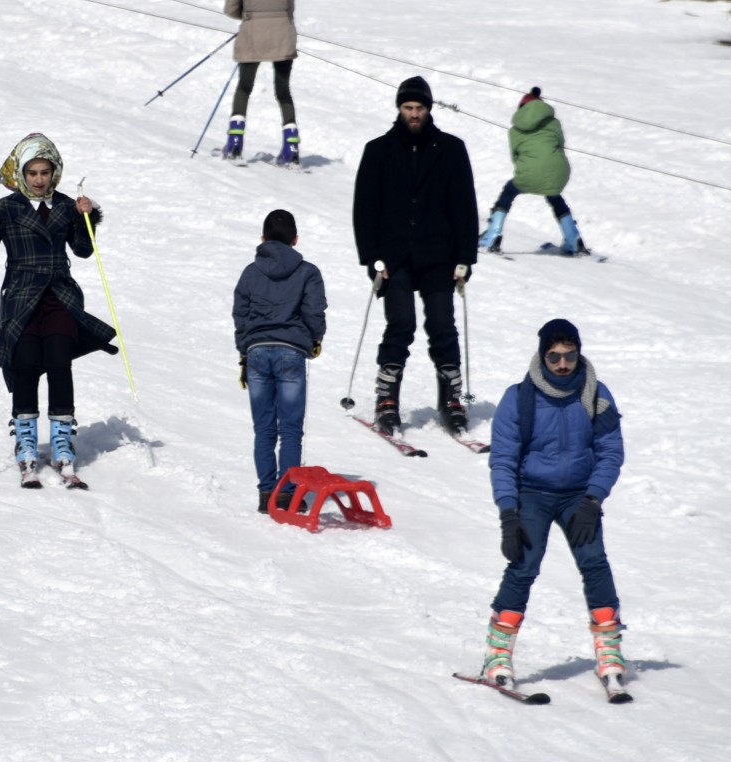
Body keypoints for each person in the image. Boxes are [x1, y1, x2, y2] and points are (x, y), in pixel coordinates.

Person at [480, 319, 627, 696]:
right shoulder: (520, 397)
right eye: (554, 356)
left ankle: (609, 649)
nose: (563, 364)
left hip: (579, 493)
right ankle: (498, 652)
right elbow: (504, 459)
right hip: (533, 492)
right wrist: (509, 513)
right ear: (542, 356)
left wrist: (593, 500)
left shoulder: (596, 394)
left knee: (594, 561)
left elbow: (611, 451)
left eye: (570, 355)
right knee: (524, 564)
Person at [0, 133, 117, 486]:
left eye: (45, 172)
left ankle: (62, 445)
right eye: (33, 172)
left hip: (60, 296)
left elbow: (83, 252)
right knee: (23, 366)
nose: (39, 179)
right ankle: (25, 444)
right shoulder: (7, 207)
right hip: (21, 297)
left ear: (55, 172)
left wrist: (87, 218)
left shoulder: (68, 206)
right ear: (22, 173)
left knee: (58, 362)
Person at [352, 76, 479, 436]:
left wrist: (465, 257)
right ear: (398, 109)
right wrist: (371, 256)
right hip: (393, 258)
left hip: (439, 255)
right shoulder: (378, 150)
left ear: (429, 109)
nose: (413, 114)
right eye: (408, 108)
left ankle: (451, 398)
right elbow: (365, 207)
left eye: (419, 108)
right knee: (401, 323)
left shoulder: (450, 149)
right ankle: (386, 398)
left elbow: (464, 206)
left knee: (442, 325)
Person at [232, 209, 327, 513]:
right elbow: (314, 312)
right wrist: (315, 338)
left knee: (264, 429)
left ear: (262, 238)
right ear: (295, 239)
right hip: (291, 351)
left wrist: (244, 351)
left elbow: (241, 315)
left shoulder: (250, 272)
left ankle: (265, 493)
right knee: (290, 428)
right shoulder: (307, 272)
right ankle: (287, 494)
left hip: (257, 352)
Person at [477, 87, 588, 256]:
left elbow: (516, 156)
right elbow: (559, 144)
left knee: (508, 192)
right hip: (559, 171)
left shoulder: (515, 129)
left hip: (529, 172)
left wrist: (527, 168)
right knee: (553, 195)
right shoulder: (554, 123)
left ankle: (492, 236)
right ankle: (573, 239)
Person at [222, 0, 301, 165]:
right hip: (283, 36)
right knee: (283, 91)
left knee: (244, 88)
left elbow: (230, 10)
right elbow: (289, 9)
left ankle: (234, 143)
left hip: (252, 34)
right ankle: (291, 148)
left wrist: (250, 16)